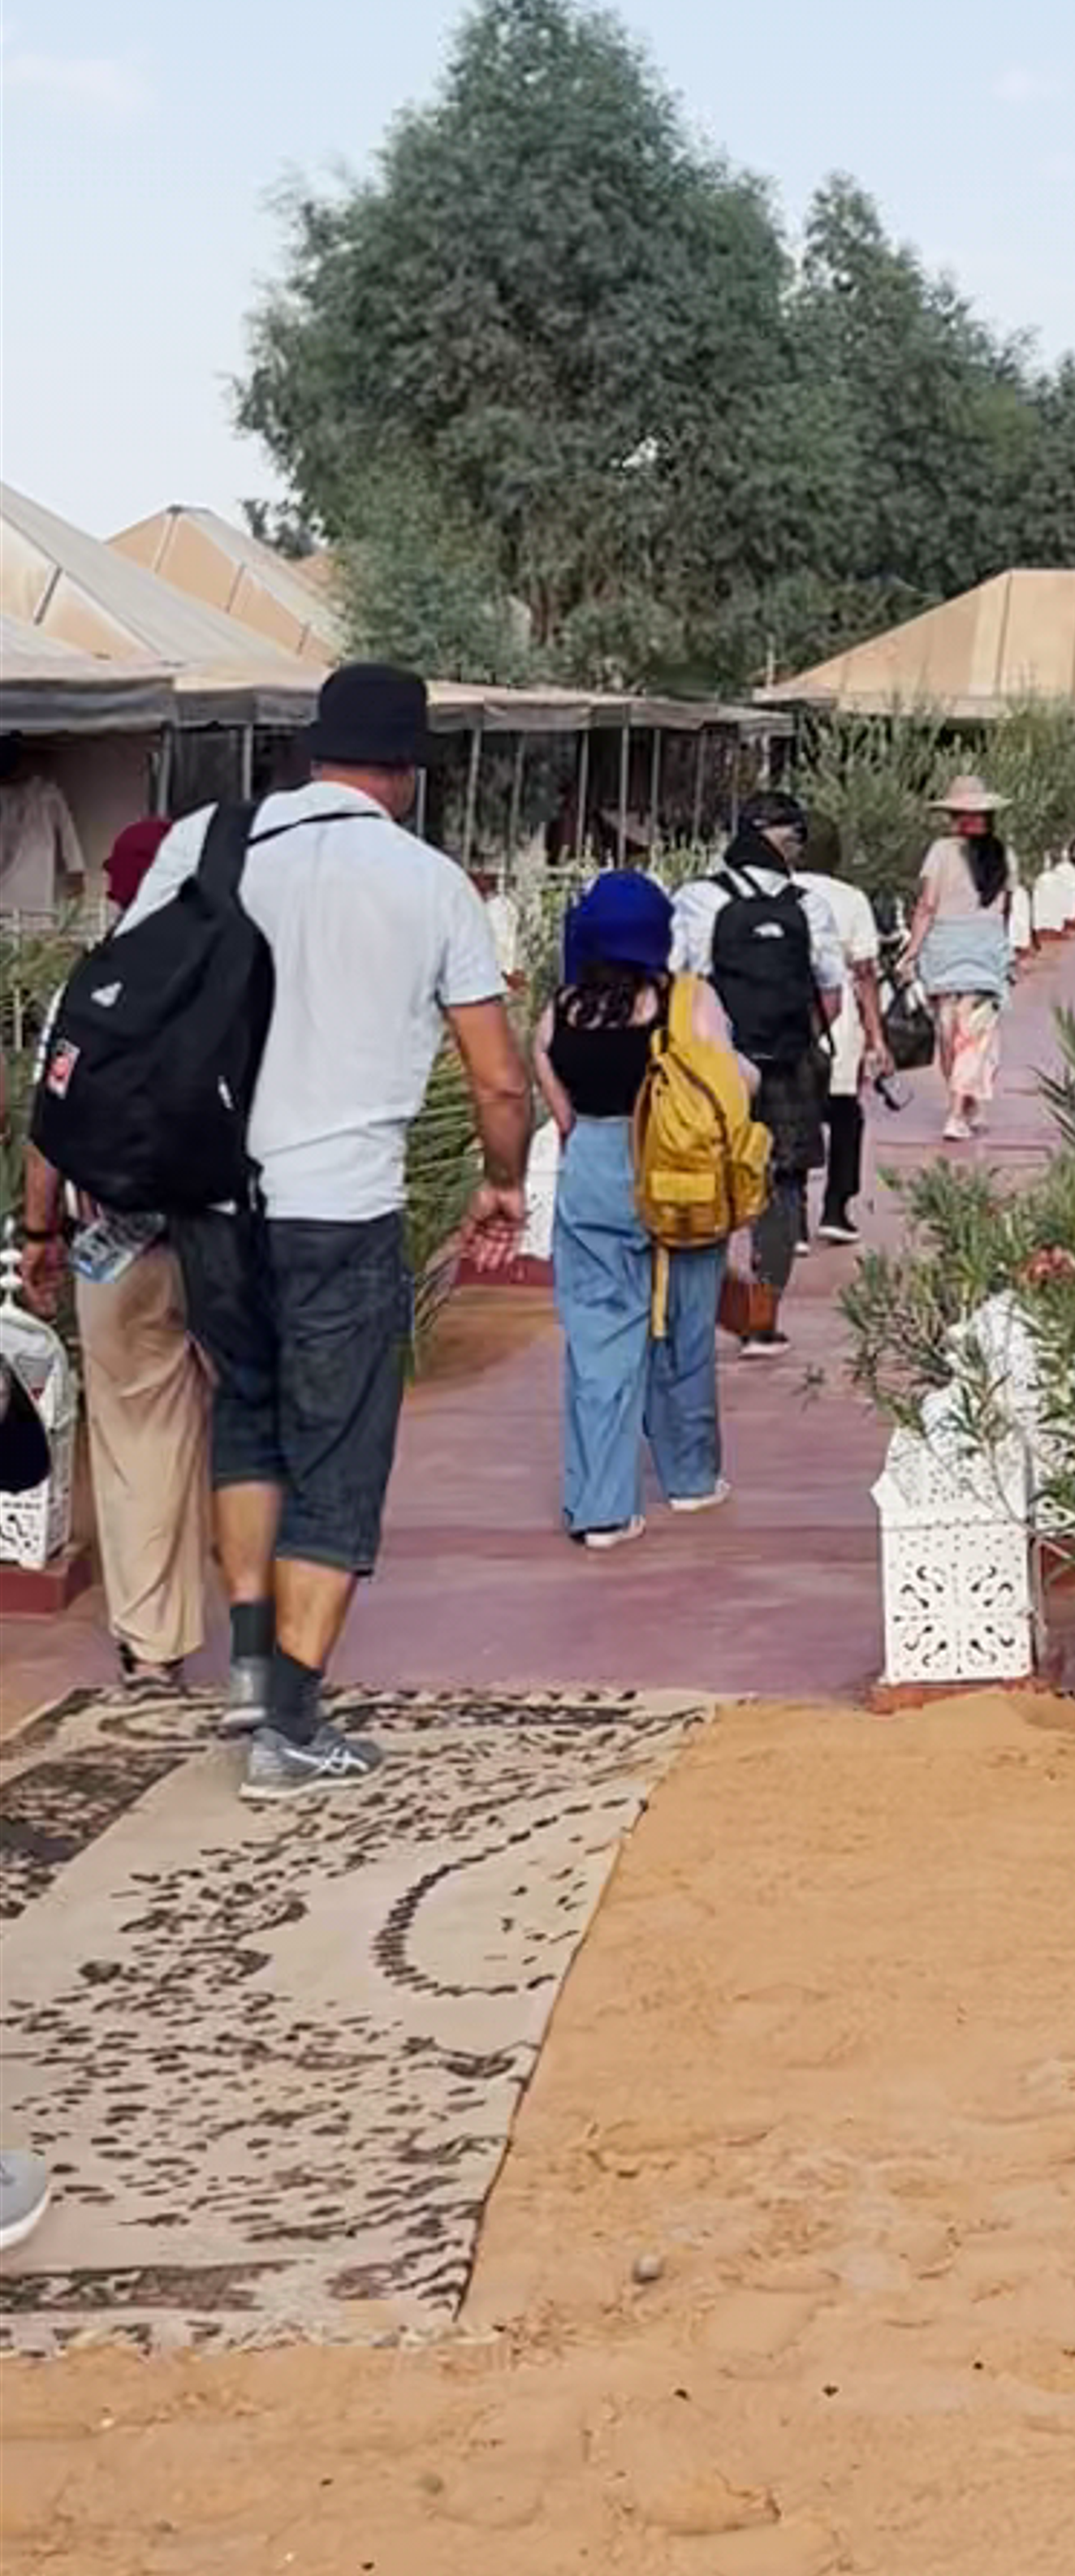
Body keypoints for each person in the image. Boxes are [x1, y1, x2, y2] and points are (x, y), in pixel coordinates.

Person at [129, 662, 531, 1794]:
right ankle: (291, 1726)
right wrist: (502, 1183)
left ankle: (253, 1670)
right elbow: (497, 1079)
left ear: (312, 750)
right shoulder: (426, 881)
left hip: (211, 1193)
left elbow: (129, 993)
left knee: (249, 1412)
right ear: (407, 770)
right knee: (340, 1451)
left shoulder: (203, 842)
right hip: (339, 1202)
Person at [15, 815, 218, 1706]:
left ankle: (151, 1648)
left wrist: (39, 1235)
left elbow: (49, 1130)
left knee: (137, 1436)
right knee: (244, 1432)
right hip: (223, 1235)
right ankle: (262, 1624)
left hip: (113, 1239)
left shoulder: (89, 986)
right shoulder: (238, 974)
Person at [534, 870, 738, 1546]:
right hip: (677, 1175)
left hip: (591, 1167)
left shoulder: (560, 1008)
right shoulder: (686, 1000)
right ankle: (690, 1476)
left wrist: (585, 1126)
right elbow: (729, 1083)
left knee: (598, 1339)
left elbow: (553, 1091)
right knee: (685, 1324)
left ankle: (601, 1507)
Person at [671, 794, 842, 1348]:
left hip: (715, 1066)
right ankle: (763, 1318)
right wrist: (796, 1039)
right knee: (783, 1184)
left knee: (710, 1177)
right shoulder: (809, 905)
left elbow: (680, 980)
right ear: (783, 842)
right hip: (787, 1063)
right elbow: (830, 994)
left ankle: (704, 1304)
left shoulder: (699, 898)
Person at [900, 775, 1014, 1143]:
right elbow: (1005, 910)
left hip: (944, 954)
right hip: (986, 953)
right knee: (974, 1037)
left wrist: (910, 953)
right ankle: (965, 1104)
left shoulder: (941, 852)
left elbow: (926, 906)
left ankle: (956, 1110)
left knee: (949, 1036)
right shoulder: (1005, 855)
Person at [805, 847, 889, 1245]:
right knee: (845, 1115)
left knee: (787, 1117)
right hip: (838, 1025)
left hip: (783, 1021)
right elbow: (865, 972)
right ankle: (836, 1208)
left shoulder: (771, 891)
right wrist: (876, 1037)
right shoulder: (851, 898)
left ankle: (789, 1214)